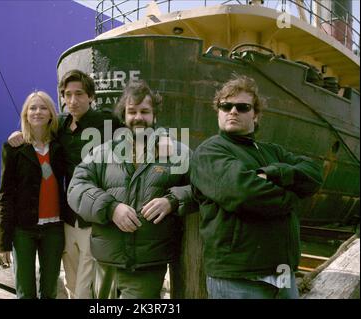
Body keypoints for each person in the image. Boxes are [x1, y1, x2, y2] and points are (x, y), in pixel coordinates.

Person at [190, 75, 323, 299]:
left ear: (255, 115)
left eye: (242, 107)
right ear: (219, 112)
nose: (233, 111)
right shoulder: (209, 152)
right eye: (226, 106)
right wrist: (293, 196)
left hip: (282, 274)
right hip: (238, 278)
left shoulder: (273, 152)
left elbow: (314, 173)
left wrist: (274, 172)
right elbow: (244, 194)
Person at [67, 80, 194, 299]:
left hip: (146, 266)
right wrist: (111, 208)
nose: (138, 117)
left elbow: (203, 187)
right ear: (124, 116)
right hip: (106, 264)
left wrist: (172, 200)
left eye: (145, 111)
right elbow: (76, 187)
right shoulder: (104, 152)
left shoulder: (176, 153)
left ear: (154, 115)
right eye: (132, 111)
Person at [7, 70, 120, 299]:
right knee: (70, 282)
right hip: (67, 219)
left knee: (86, 289)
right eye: (67, 95)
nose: (73, 100)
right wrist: (17, 134)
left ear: (91, 96)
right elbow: (38, 132)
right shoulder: (61, 125)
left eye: (79, 94)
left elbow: (135, 142)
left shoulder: (107, 123)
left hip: (94, 220)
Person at [0, 91, 65, 299]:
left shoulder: (60, 146)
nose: (38, 112)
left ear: (52, 114)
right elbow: (5, 195)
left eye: (43, 107)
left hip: (54, 228)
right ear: (25, 114)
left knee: (50, 289)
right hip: (23, 229)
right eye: (32, 108)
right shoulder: (14, 148)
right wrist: (3, 242)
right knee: (25, 291)